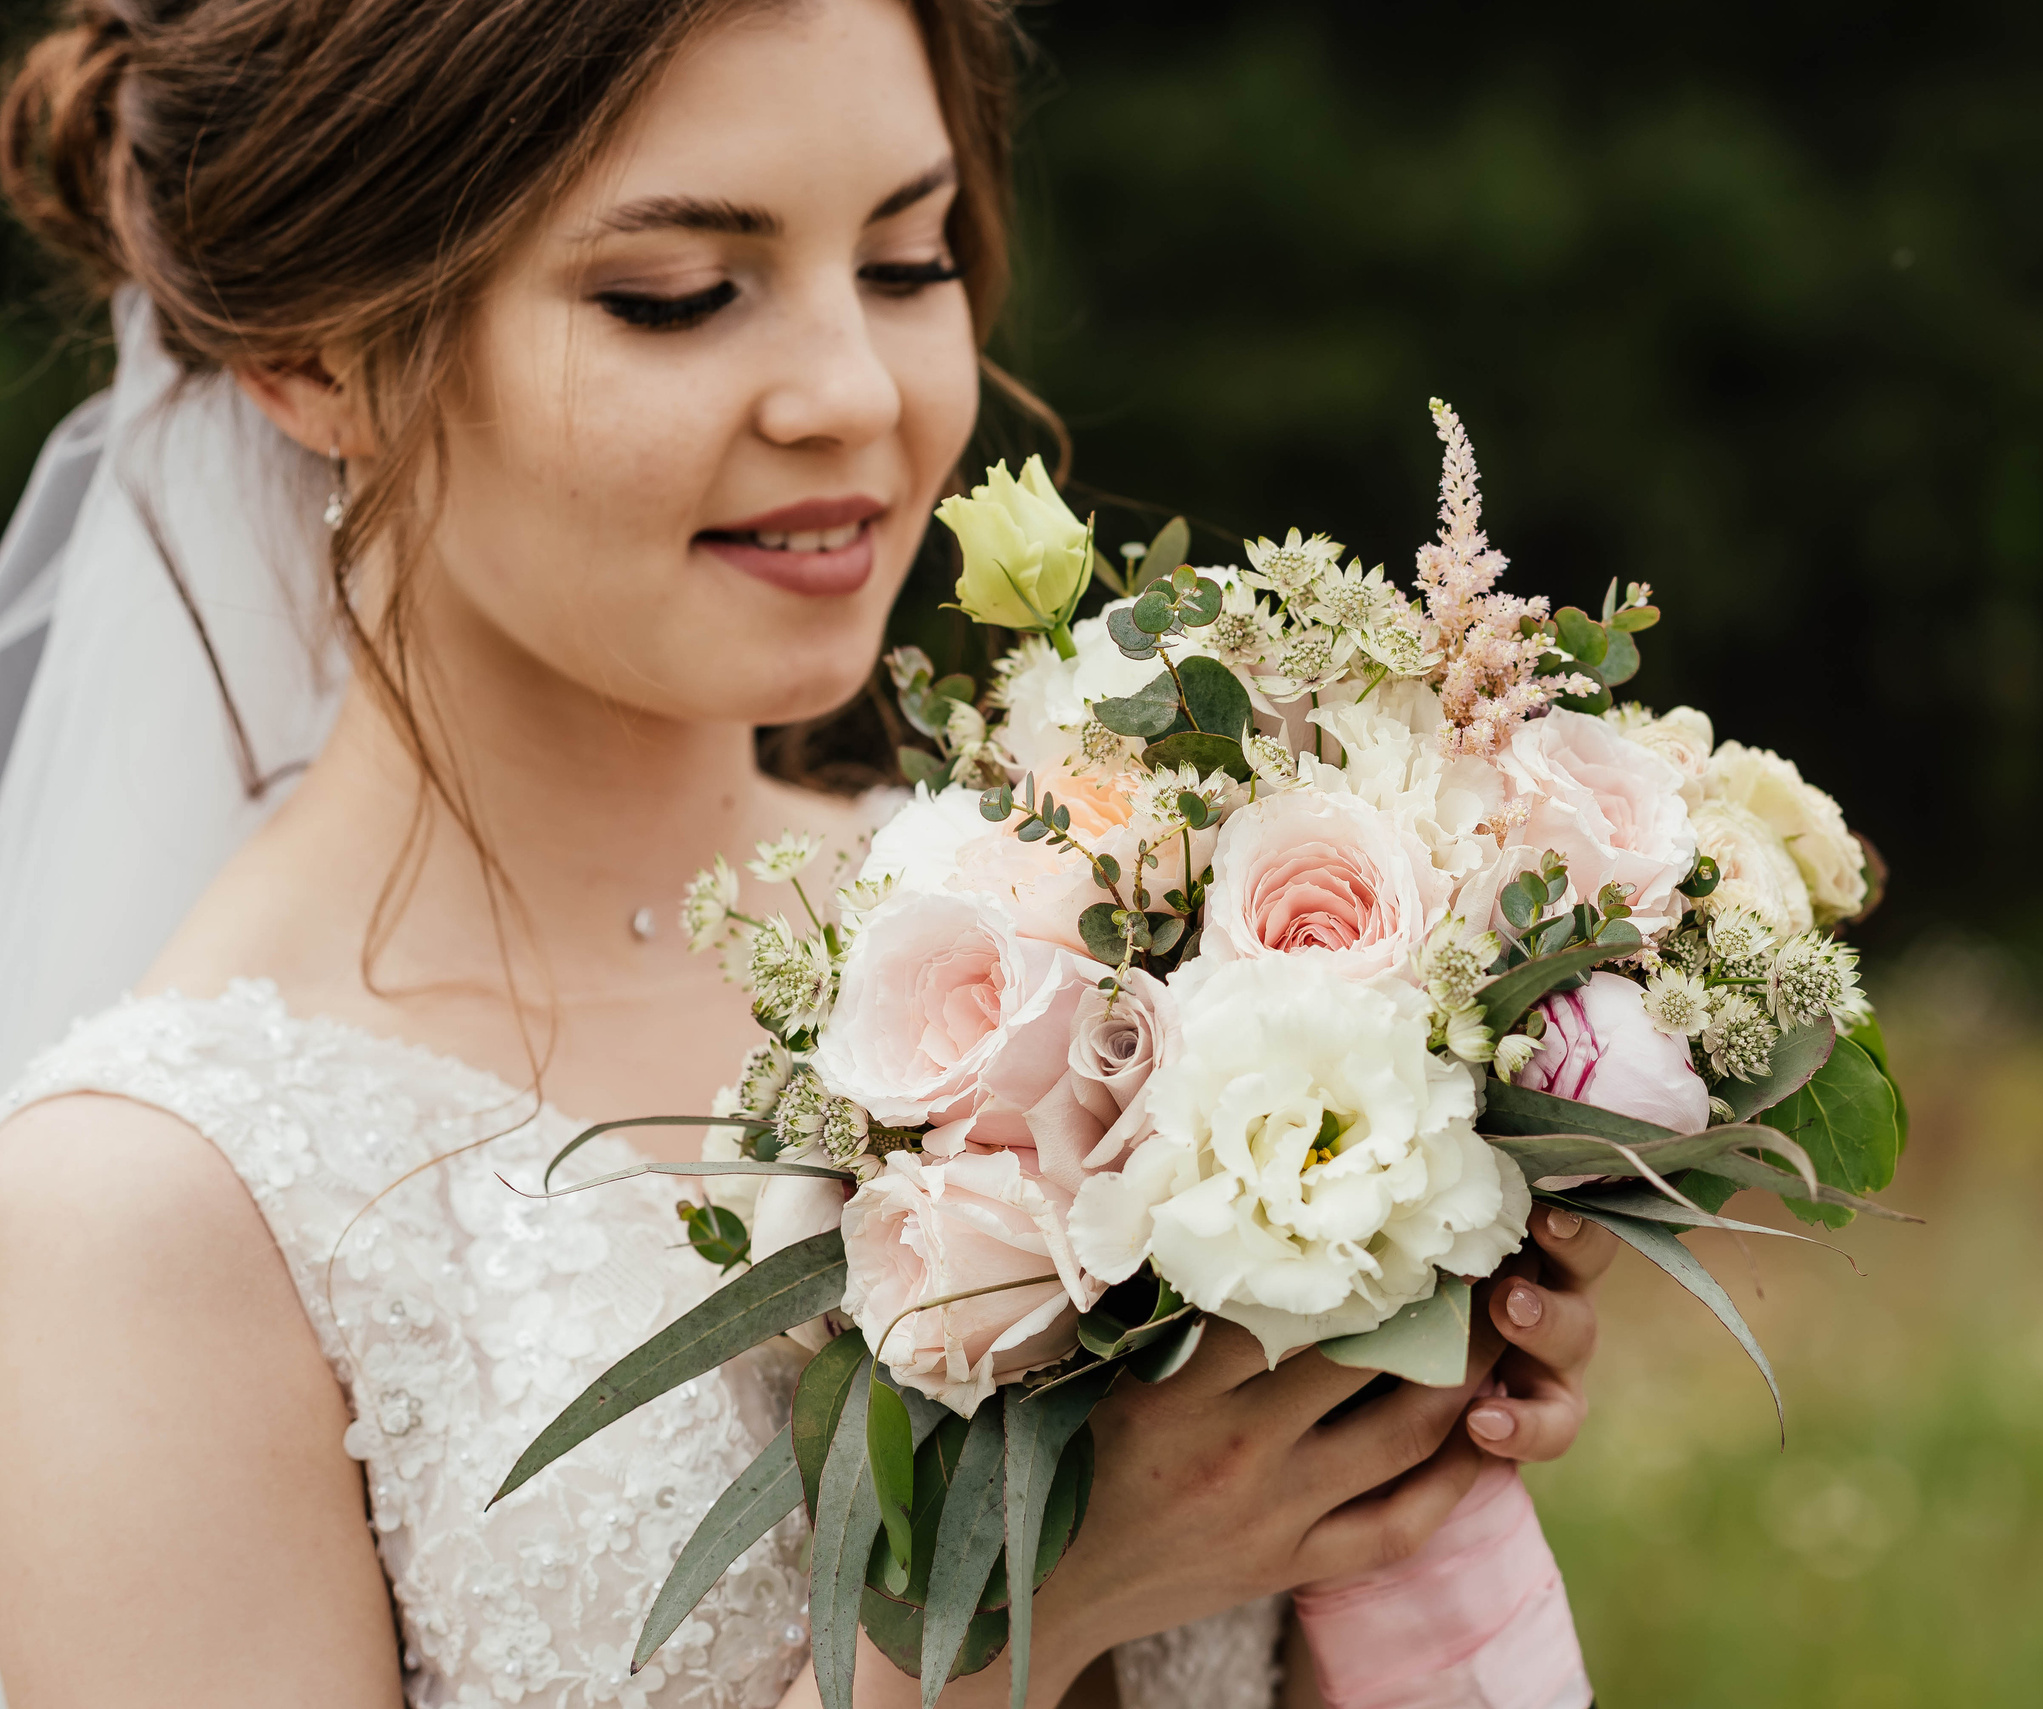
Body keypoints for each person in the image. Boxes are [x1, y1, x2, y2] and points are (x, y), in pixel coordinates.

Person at [0, 2, 1617, 1705]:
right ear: (313, 355)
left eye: (908, 263)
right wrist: (1018, 1607)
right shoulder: (135, 1227)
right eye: (678, 295)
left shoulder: (1118, 911)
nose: (854, 394)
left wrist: (1410, 1430)